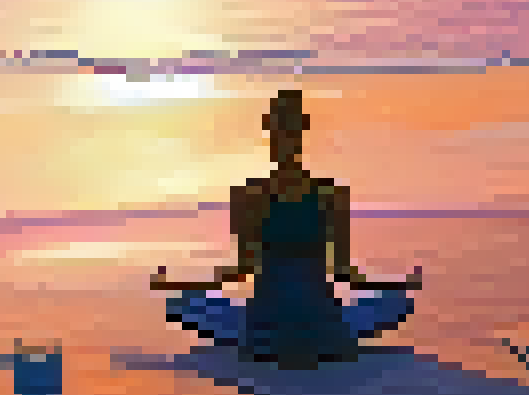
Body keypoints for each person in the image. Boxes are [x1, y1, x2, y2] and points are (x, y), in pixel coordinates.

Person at [152, 89, 421, 367]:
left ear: (269, 134)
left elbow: (240, 271)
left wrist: (179, 286)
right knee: (393, 302)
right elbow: (344, 273)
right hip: (322, 332)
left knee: (187, 304)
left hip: (267, 334)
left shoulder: (249, 195)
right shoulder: (331, 194)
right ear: (302, 133)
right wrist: (396, 286)